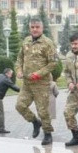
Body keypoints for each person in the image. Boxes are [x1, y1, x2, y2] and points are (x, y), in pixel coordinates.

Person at [15, 17, 58, 145]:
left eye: (37, 27)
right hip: (27, 83)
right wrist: (18, 70)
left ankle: (47, 134)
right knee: (20, 106)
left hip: (41, 84)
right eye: (32, 27)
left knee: (43, 111)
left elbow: (53, 63)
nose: (34, 29)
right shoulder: (26, 41)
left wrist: (39, 74)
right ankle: (35, 122)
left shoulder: (47, 43)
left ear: (42, 28)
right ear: (30, 28)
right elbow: (19, 59)